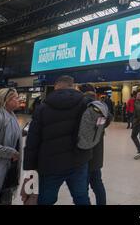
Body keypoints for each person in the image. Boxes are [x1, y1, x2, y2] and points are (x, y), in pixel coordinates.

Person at [23, 75, 92, 205]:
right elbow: (104, 119)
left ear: (55, 87)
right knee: (81, 197)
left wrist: (30, 170)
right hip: (78, 161)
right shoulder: (85, 103)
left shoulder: (42, 107)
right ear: (73, 86)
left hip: (50, 164)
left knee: (46, 200)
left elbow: (32, 142)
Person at [79, 84, 111, 206]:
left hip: (82, 151)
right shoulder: (101, 106)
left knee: (82, 186)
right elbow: (108, 120)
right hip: (97, 151)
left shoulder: (81, 105)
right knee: (97, 183)